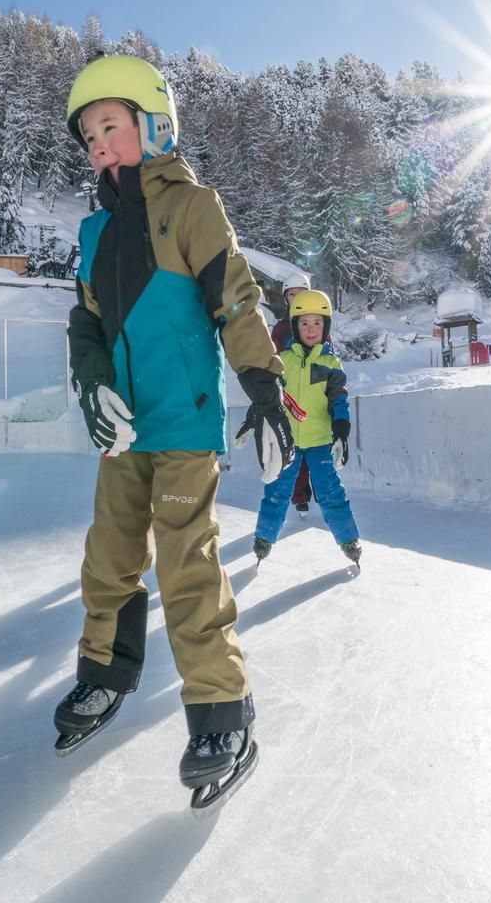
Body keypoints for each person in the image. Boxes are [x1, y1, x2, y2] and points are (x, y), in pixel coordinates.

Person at [55, 54, 294, 806]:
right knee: (109, 558)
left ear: (154, 125)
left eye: (111, 125)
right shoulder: (93, 232)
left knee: (186, 564)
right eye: (88, 133)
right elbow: (86, 325)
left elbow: (235, 300)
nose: (98, 142)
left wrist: (263, 386)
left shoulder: (192, 206)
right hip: (125, 431)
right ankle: (105, 674)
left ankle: (224, 710)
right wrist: (91, 383)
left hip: (186, 421)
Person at [250, 289, 362, 565]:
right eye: (304, 323)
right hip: (287, 442)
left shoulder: (330, 363)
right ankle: (264, 537)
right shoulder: (283, 361)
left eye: (317, 323)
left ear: (326, 327)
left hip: (320, 442)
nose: (311, 329)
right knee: (277, 491)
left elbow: (339, 399)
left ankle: (348, 539)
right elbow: (268, 396)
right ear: (294, 326)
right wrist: (255, 418)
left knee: (331, 492)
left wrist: (341, 430)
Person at [268, 274, 316, 515]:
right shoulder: (282, 328)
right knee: (293, 447)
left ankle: (318, 490)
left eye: (301, 293)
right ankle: (299, 496)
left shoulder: (316, 322)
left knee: (315, 446)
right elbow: (273, 356)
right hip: (289, 395)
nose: (297, 298)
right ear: (287, 298)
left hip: (314, 392)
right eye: (292, 294)